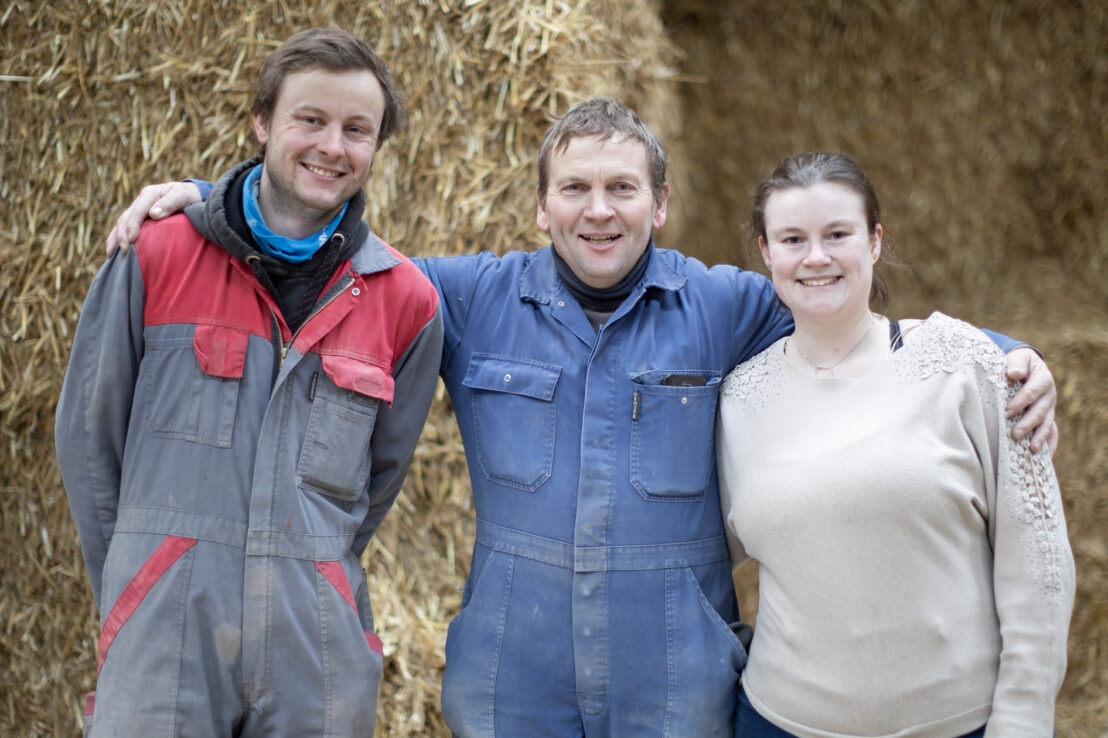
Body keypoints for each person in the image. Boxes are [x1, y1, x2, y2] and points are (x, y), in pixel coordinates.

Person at [104, 99, 1058, 737]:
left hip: (677, 682)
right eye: (575, 188)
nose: (598, 211)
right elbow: (324, 261)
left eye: (621, 188)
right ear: (541, 204)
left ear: (660, 203)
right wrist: (209, 206)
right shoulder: (464, 297)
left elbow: (859, 322)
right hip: (513, 677)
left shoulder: (729, 305)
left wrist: (1010, 353)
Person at [55, 28, 443, 737]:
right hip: (162, 629)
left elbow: (378, 480)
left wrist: (313, 572)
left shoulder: (405, 300)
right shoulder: (157, 252)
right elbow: (88, 436)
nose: (332, 146)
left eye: (357, 130)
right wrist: (140, 580)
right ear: (262, 122)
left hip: (310, 641)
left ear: (377, 146)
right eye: (310, 120)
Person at [716, 152, 1075, 738]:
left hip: (960, 724)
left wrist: (1023, 722)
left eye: (838, 234)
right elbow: (699, 558)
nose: (815, 257)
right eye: (792, 238)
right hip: (779, 721)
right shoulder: (737, 402)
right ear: (766, 252)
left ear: (875, 241)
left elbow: (1038, 566)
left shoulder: (968, 367)